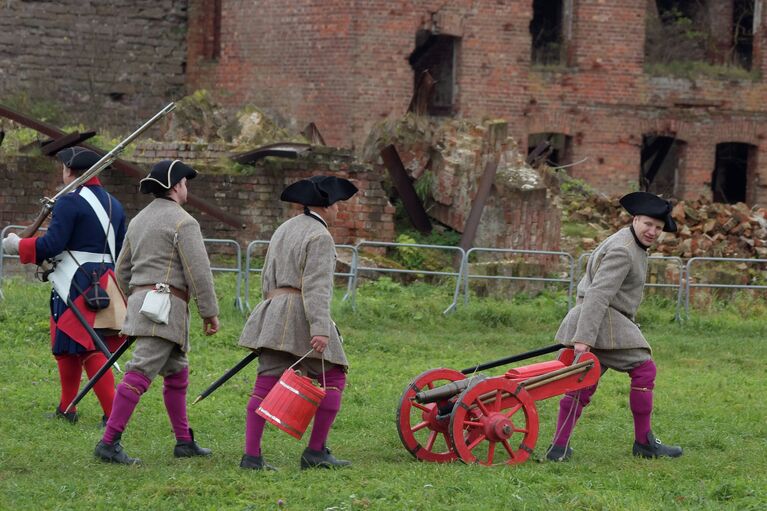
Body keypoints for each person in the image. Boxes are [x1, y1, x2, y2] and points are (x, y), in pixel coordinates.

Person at [93, 159, 220, 465]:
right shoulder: (184, 222)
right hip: (163, 310)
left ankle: (184, 441)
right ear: (176, 186)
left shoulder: (138, 221)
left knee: (177, 372)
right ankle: (109, 442)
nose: (186, 188)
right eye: (185, 183)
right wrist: (209, 312)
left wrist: (131, 304)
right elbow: (198, 272)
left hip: (141, 305)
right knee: (139, 373)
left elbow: (121, 271)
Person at [546, 191, 683, 461]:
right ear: (635, 219)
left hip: (604, 319)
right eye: (648, 224)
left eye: (658, 227)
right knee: (645, 369)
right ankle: (644, 443)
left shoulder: (629, 242)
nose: (653, 231)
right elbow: (598, 294)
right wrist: (583, 338)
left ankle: (559, 448)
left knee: (583, 383)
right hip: (601, 321)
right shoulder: (623, 250)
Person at [238, 175, 357, 471]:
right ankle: (315, 452)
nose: (339, 210)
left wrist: (271, 310)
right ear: (326, 206)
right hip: (302, 314)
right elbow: (317, 287)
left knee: (264, 385)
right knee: (334, 378)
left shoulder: (283, 228)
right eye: (338, 205)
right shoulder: (320, 236)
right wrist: (319, 328)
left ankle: (251, 457)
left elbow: (266, 276)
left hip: (273, 310)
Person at [2, 146, 127, 425]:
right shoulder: (113, 204)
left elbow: (52, 244)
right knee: (68, 343)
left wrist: (17, 244)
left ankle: (113, 414)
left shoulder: (69, 202)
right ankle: (66, 408)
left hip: (75, 281)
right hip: (103, 280)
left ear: (70, 171)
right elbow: (119, 247)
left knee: (90, 347)